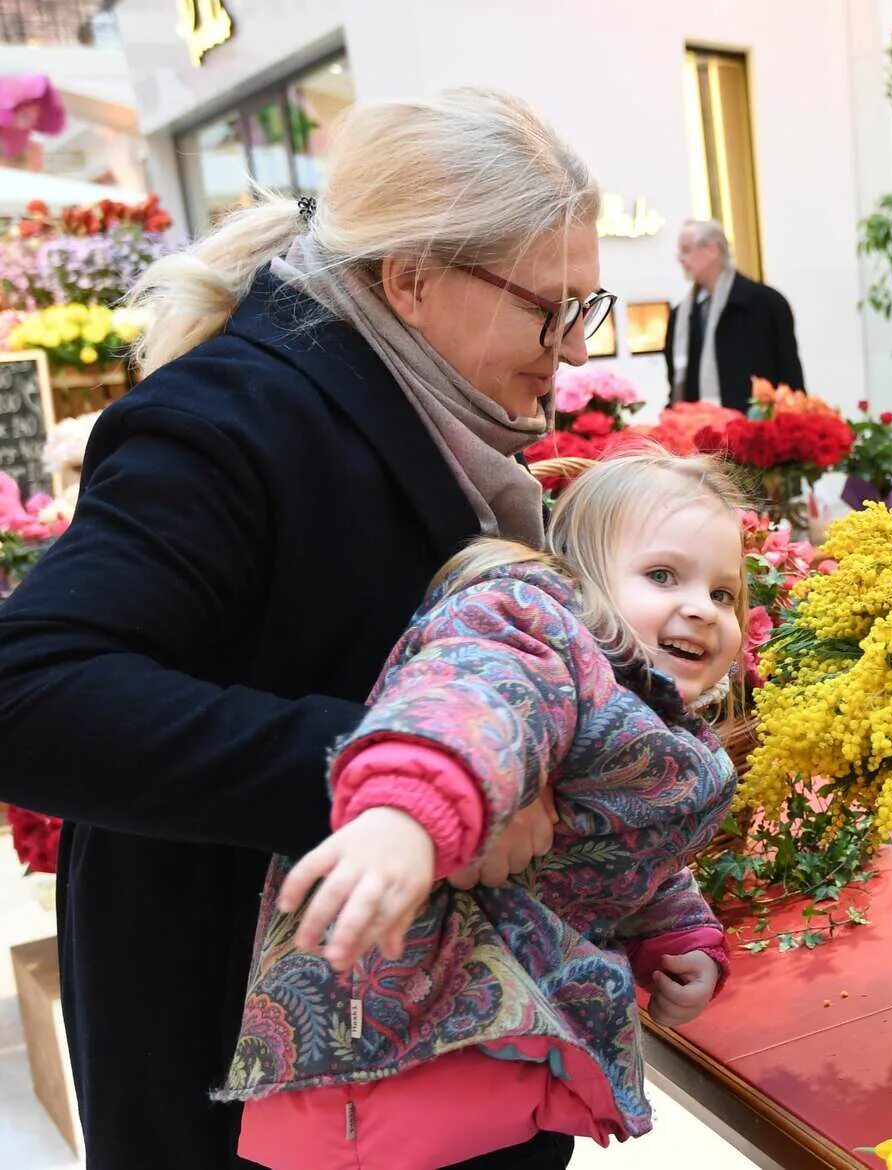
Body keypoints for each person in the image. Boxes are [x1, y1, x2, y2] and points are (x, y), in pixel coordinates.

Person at [0, 89, 610, 1168]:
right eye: (545, 309)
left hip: (388, 1063)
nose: (564, 348)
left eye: (581, 308)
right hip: (253, 1069)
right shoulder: (228, 418)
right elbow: (30, 693)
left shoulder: (424, 413)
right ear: (411, 280)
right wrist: (406, 786)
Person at [221, 450, 744, 1169]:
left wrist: (678, 933)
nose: (701, 608)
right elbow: (473, 701)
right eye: (662, 576)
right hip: (383, 1073)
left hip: (497, 1081)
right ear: (580, 579)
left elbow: (620, 844)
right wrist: (408, 815)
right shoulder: (531, 630)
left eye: (725, 594)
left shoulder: (649, 719)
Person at [663, 220, 804, 410]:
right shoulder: (680, 315)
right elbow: (677, 382)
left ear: (712, 250)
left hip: (755, 428)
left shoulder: (765, 304)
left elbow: (790, 377)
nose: (681, 259)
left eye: (686, 250)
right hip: (698, 430)